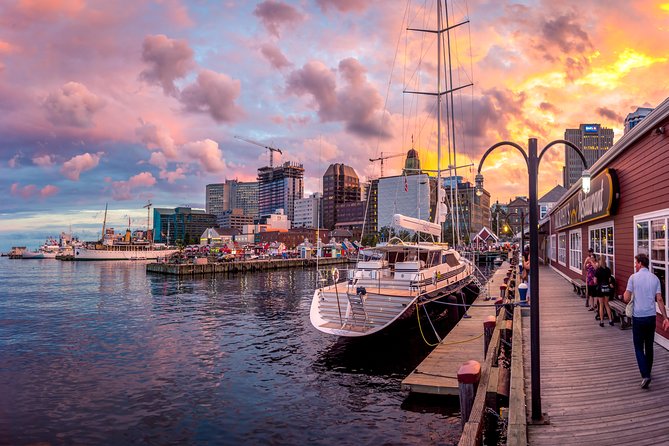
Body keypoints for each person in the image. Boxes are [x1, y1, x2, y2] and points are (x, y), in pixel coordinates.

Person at [623, 253, 669, 389]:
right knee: (649, 346)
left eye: (635, 263)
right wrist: (666, 318)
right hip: (651, 317)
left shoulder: (633, 278)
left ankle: (645, 375)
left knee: (638, 347)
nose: (634, 265)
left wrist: (627, 294)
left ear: (640, 263)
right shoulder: (655, 278)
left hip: (638, 317)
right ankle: (648, 371)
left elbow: (626, 298)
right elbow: (659, 299)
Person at [594, 256, 614, 327]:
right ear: (605, 261)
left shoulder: (598, 270)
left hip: (600, 289)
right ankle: (610, 320)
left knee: (601, 305)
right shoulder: (608, 270)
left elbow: (595, 281)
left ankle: (602, 321)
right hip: (607, 289)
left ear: (599, 261)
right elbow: (609, 280)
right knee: (607, 304)